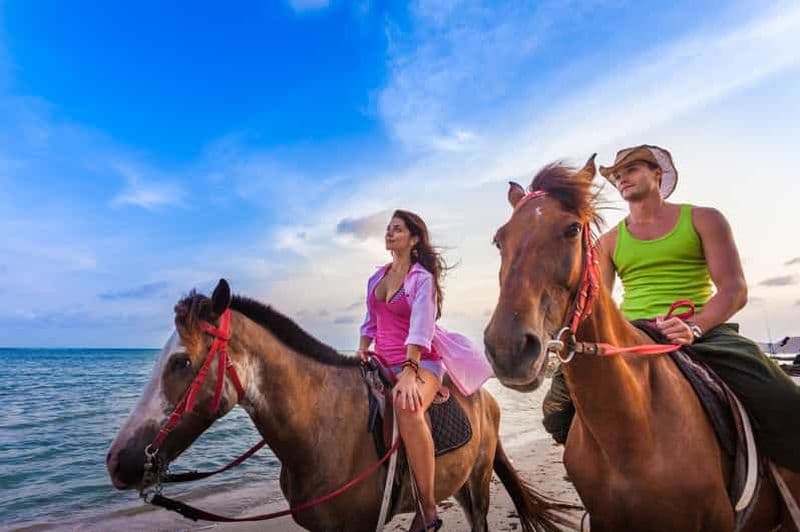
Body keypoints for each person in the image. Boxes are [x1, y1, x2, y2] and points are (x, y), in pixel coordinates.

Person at [542, 144, 800, 471]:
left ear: (656, 174)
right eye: (617, 175)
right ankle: (604, 472)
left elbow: (734, 289)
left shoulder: (704, 219)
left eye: (632, 170)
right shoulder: (606, 242)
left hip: (702, 332)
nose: (622, 179)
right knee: (556, 408)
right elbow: (596, 304)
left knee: (785, 401)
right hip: (631, 336)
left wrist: (694, 326)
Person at [357, 209, 493, 532]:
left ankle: (428, 508)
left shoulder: (422, 279)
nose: (390, 233)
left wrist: (410, 368)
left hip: (422, 361)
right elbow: (370, 321)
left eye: (398, 229)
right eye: (388, 229)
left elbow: (420, 325)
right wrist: (362, 348)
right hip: (381, 359)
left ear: (414, 238)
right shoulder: (376, 278)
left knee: (408, 405)